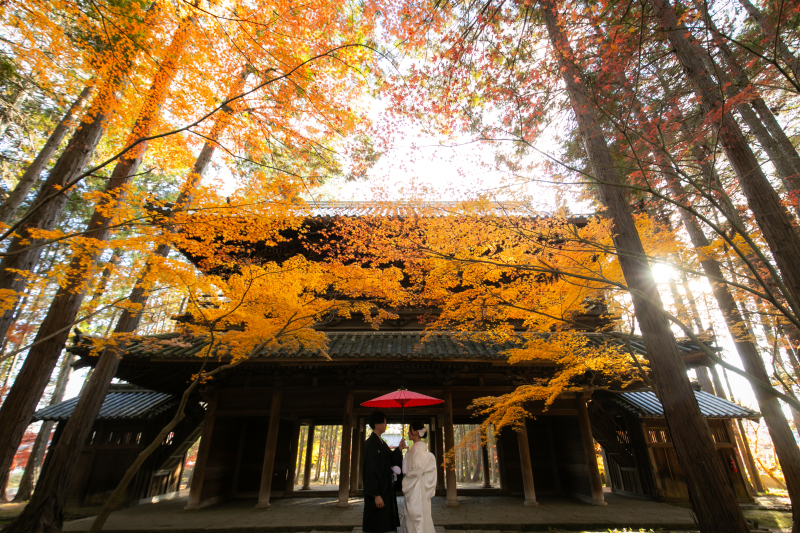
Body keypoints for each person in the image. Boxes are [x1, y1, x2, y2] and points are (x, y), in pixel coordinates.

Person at [362, 411, 405, 533]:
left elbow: (390, 458)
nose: (386, 424)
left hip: (385, 489)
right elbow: (370, 470)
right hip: (378, 492)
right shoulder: (370, 444)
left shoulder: (381, 442)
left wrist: (399, 449)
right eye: (384, 422)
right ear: (377, 424)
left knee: (383, 523)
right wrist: (376, 495)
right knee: (376, 524)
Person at [401, 421, 437, 533]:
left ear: (416, 432)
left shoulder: (418, 451)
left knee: (416, 519)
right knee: (414, 519)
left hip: (417, 490)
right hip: (415, 488)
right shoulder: (415, 450)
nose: (408, 433)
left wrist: (405, 482)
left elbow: (416, 471)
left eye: (410, 430)